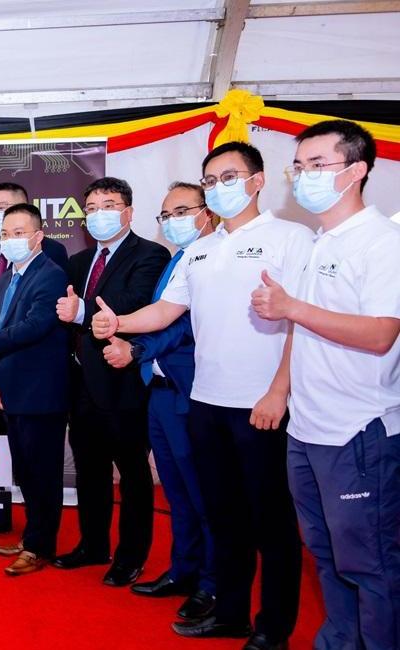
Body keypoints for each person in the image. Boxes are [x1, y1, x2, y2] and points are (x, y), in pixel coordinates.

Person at [91, 141, 311, 649]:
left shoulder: (290, 238)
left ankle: (273, 628)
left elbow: (301, 322)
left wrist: (279, 391)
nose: (219, 188)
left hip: (262, 406)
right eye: (211, 180)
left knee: (271, 523)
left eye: (228, 177)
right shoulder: (200, 250)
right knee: (225, 515)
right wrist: (118, 321)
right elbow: (166, 312)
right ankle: (230, 612)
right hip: (205, 403)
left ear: (257, 181)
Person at [252, 120, 399, 650]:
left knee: (372, 563)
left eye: (318, 165)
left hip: (358, 430)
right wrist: (279, 390)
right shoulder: (319, 241)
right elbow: (303, 328)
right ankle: (338, 641)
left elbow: (382, 334)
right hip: (308, 429)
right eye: (299, 166)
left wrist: (292, 306)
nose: (303, 177)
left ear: (356, 171)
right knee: (327, 552)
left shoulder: (381, 242)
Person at [100, 183, 218, 622]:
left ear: (207, 212)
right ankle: (184, 571)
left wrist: (136, 348)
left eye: (182, 211)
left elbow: (181, 324)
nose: (172, 221)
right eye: (166, 214)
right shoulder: (176, 260)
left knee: (204, 493)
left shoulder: (215, 258)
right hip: (162, 394)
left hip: (193, 392)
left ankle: (212, 583)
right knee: (177, 491)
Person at [53, 177, 169, 587]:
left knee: (133, 474)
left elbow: (136, 304)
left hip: (123, 381)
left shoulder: (150, 255)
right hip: (82, 382)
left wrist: (82, 311)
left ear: (128, 211)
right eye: (92, 206)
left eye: (109, 204)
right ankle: (93, 544)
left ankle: (130, 555)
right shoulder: (80, 261)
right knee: (89, 469)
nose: (99, 212)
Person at [0, 204, 69, 576]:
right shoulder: (6, 279)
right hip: (12, 388)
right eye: (6, 234)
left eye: (20, 233)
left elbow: (36, 326)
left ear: (38, 237)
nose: (11, 240)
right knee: (24, 468)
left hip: (42, 390)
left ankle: (40, 547)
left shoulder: (50, 276)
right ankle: (30, 537)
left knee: (43, 471)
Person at [0, 182, 68, 436]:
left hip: (29, 374)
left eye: (3, 207)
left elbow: (42, 319)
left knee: (32, 462)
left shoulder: (50, 257)